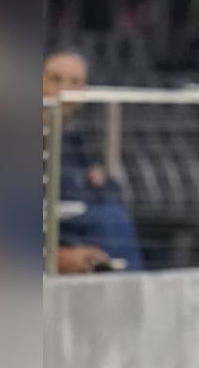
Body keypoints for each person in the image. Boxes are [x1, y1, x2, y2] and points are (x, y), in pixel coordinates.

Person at [42, 46, 145, 273]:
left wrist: (92, 185)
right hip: (51, 232)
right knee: (109, 220)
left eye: (74, 83)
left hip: (75, 227)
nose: (64, 90)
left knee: (113, 218)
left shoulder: (72, 140)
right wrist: (55, 256)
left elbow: (111, 190)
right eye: (55, 79)